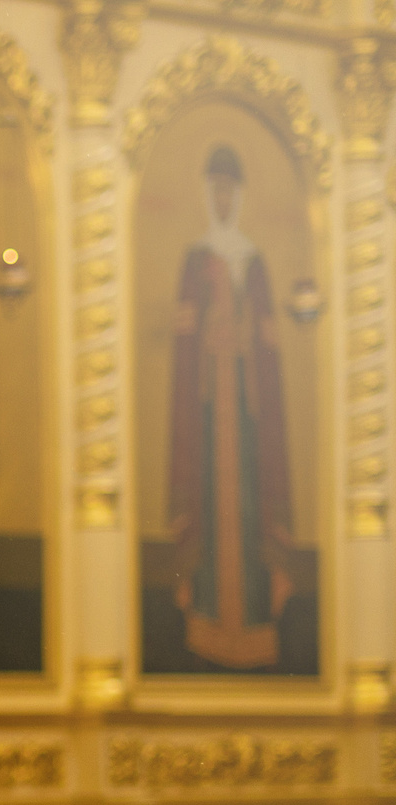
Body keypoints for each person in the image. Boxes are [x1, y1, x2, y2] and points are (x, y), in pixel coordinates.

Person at [168, 142, 295, 669]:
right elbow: (183, 337)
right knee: (211, 507)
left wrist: (243, 339)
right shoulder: (196, 259)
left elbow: (267, 344)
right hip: (206, 410)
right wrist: (205, 340)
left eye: (230, 189)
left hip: (245, 411)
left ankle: (255, 630)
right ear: (206, 193)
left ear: (239, 195)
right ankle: (207, 626)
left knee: (249, 507)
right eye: (215, 188)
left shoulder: (255, 262)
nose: (222, 198)